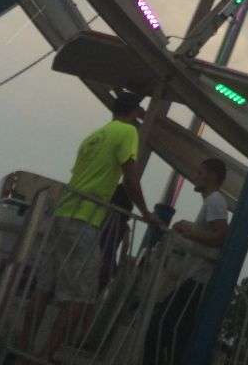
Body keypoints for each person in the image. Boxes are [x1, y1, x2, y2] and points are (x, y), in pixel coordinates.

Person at [21, 92, 161, 358]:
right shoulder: (127, 132)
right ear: (136, 112)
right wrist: (146, 212)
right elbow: (130, 177)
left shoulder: (93, 137)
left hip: (63, 213)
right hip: (85, 219)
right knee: (81, 299)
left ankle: (22, 353)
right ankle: (42, 356)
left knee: (43, 288)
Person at [143, 158, 229, 365]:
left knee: (159, 326)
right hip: (194, 278)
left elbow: (220, 236)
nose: (195, 177)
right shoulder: (212, 202)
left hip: (198, 279)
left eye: (200, 173)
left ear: (212, 176)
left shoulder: (215, 201)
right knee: (176, 334)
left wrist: (189, 233)